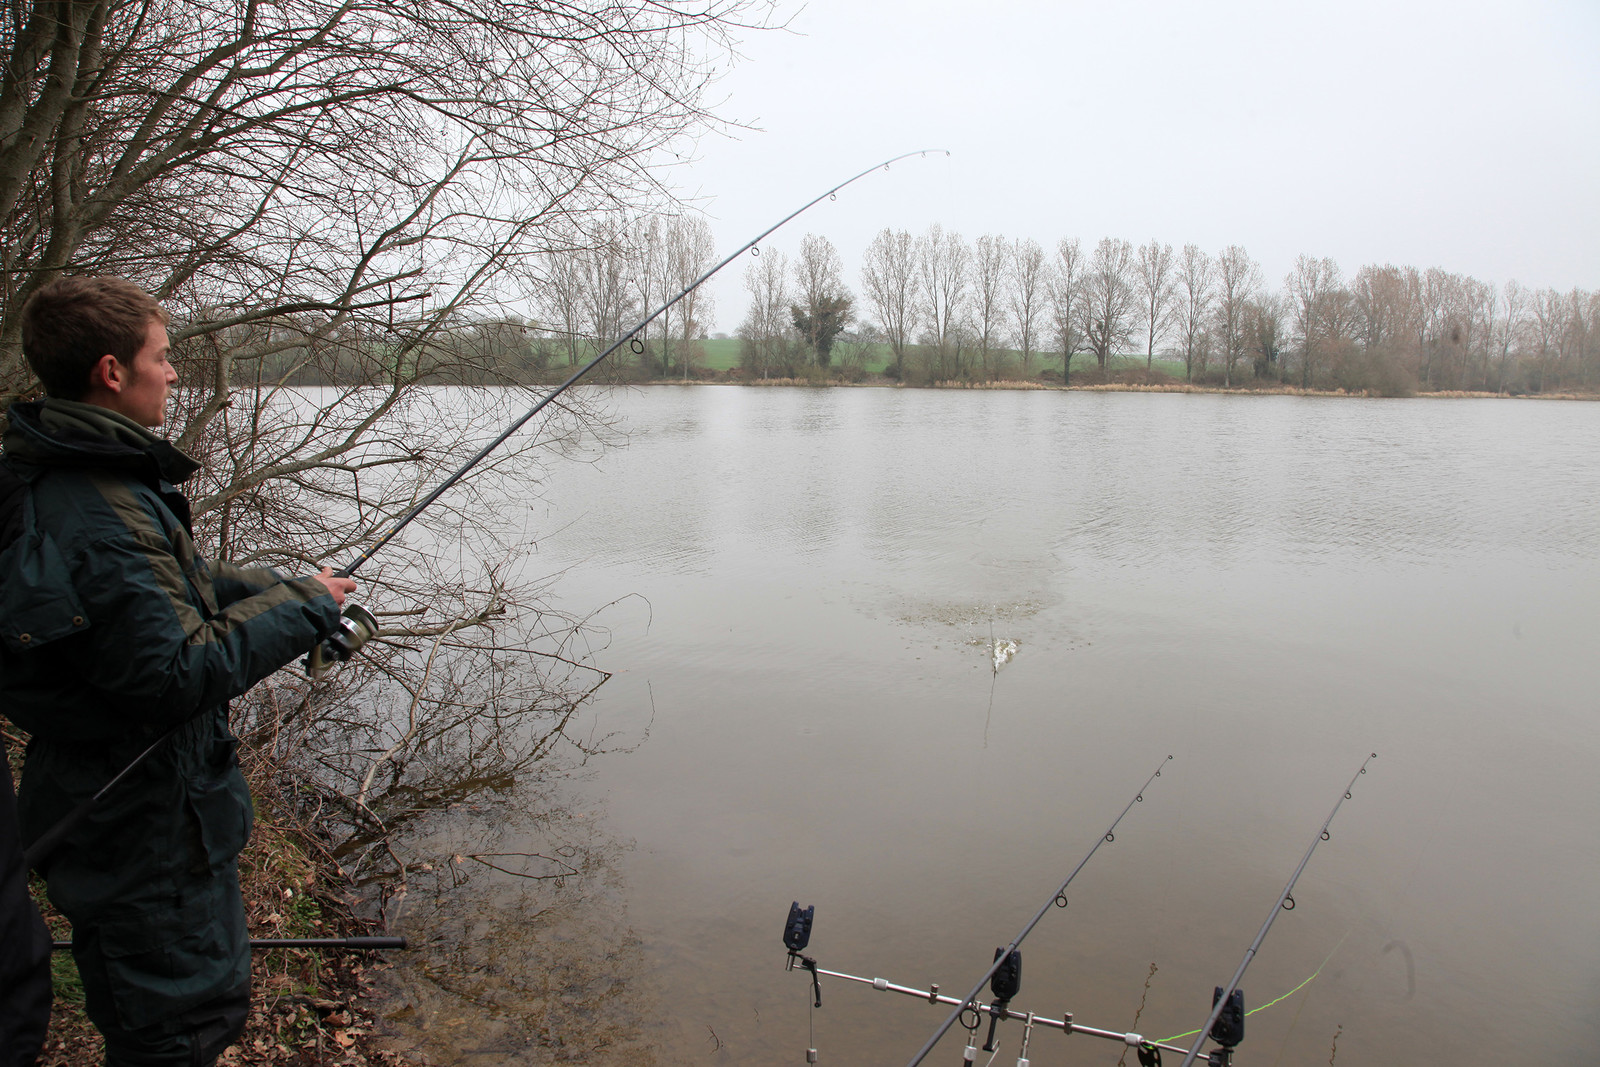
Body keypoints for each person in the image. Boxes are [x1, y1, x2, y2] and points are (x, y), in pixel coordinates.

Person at [0, 276, 357, 1066]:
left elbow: (165, 591)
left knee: (176, 1016)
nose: (174, 374)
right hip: (145, 831)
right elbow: (171, 670)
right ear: (111, 371)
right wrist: (299, 610)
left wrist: (279, 587)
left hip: (135, 816)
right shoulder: (94, 507)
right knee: (176, 1029)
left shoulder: (85, 479)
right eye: (162, 358)